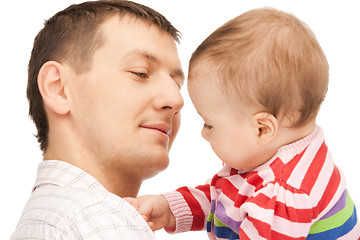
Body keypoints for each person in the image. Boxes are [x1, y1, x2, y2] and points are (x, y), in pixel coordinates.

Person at [127, 8, 360, 239]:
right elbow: (229, 198)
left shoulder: (282, 198)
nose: (203, 134)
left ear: (262, 129)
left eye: (209, 124)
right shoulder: (276, 155)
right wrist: (169, 209)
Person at [11, 0, 184, 239]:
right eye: (140, 73)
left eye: (177, 85)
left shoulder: (44, 219)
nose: (176, 100)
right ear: (59, 88)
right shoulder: (97, 218)